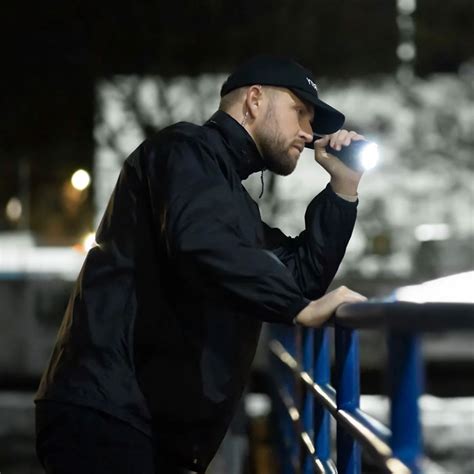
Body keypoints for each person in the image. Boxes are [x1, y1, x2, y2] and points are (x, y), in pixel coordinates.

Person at [35, 55, 367, 473]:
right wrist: (296, 308)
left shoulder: (229, 199)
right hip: (110, 413)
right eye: (299, 111)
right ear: (254, 100)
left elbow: (299, 276)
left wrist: (343, 189)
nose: (307, 131)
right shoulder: (184, 150)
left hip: (146, 425)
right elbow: (201, 243)